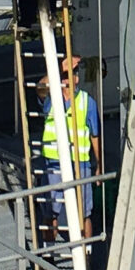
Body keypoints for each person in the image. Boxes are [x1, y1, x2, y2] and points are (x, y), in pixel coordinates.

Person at [37, 53, 100, 239]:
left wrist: (99, 165)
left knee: (84, 213)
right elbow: (40, 88)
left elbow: (95, 135)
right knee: (51, 213)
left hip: (80, 164)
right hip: (53, 164)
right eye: (65, 74)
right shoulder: (51, 100)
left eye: (72, 73)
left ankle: (85, 256)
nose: (69, 78)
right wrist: (59, 69)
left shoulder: (87, 102)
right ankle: (49, 258)